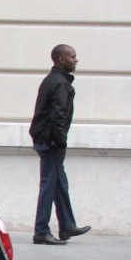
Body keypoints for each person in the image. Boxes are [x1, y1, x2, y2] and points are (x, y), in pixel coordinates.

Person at [29, 44, 89, 246]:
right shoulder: (60, 84)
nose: (76, 60)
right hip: (51, 141)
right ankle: (41, 231)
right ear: (61, 60)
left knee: (59, 183)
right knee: (49, 184)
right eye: (72, 56)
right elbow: (58, 115)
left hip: (46, 139)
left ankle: (67, 225)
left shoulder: (53, 80)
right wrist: (60, 141)